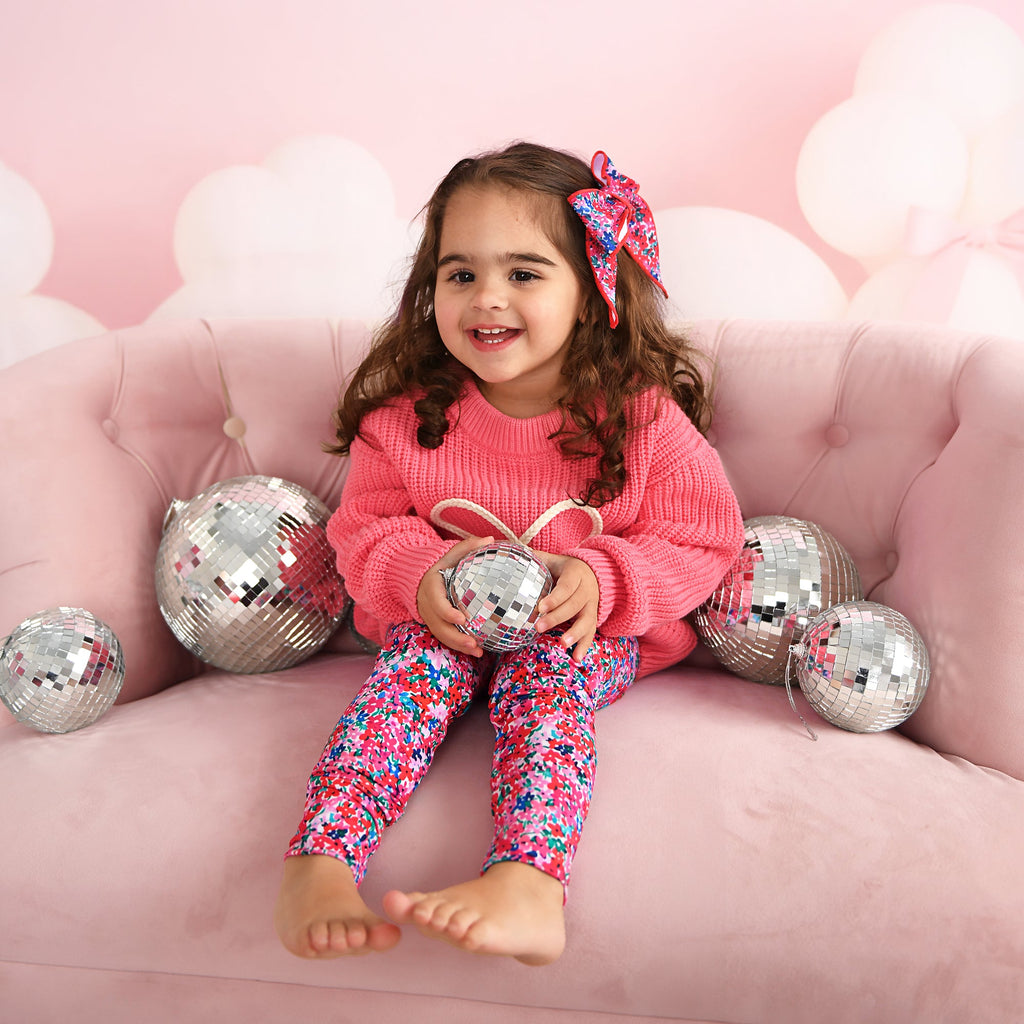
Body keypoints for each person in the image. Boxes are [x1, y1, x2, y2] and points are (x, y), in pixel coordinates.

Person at [274, 141, 745, 966]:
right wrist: (420, 574)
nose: (487, 297)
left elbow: (702, 537)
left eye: (524, 273)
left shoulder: (642, 421)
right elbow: (364, 528)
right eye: (460, 274)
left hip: (577, 634)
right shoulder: (403, 420)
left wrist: (604, 577)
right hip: (447, 628)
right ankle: (320, 863)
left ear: (592, 291)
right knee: (406, 677)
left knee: (547, 675)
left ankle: (528, 882)